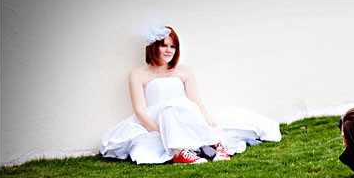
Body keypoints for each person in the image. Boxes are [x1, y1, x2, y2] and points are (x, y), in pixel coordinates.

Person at [101, 26, 281, 164]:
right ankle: (180, 153)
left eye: (173, 46)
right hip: (158, 116)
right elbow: (140, 110)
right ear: (153, 47)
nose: (168, 50)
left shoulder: (184, 70)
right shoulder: (138, 74)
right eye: (163, 45)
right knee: (170, 107)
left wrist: (205, 118)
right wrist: (158, 130)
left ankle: (218, 145)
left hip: (184, 112)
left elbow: (195, 100)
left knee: (183, 106)